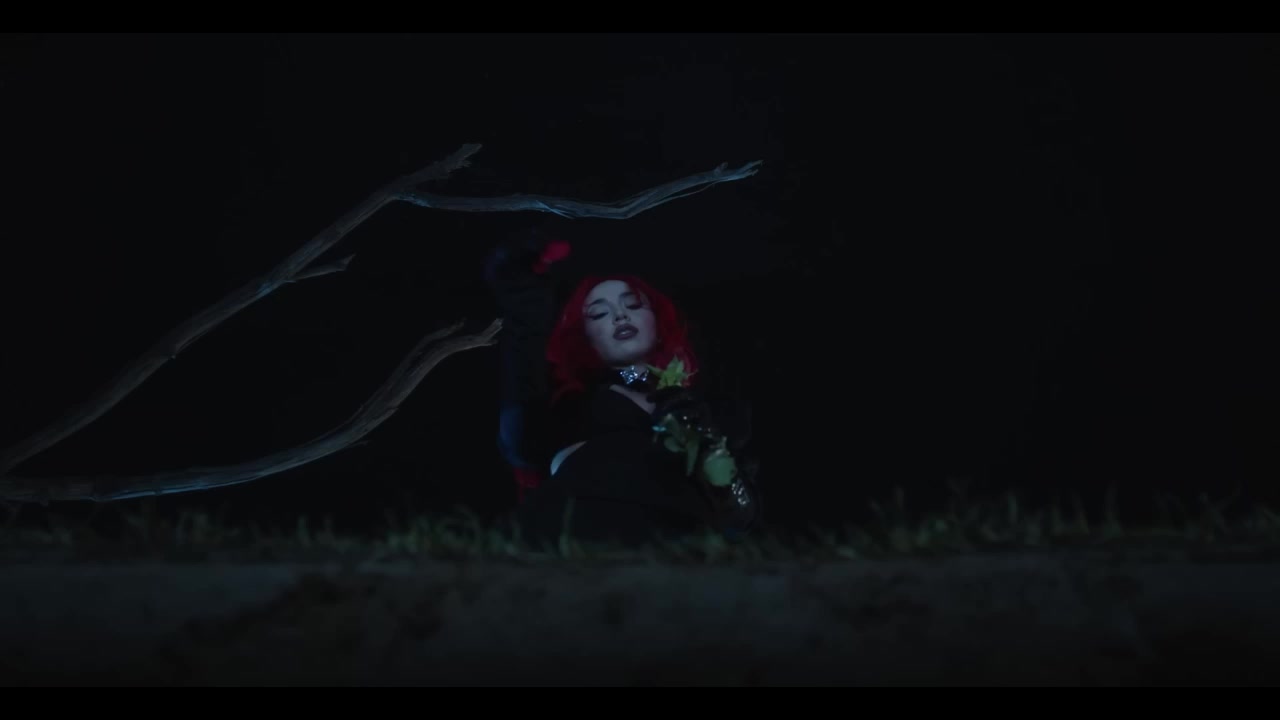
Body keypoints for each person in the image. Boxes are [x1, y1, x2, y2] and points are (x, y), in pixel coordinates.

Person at [484, 228, 760, 547]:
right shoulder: (570, 407)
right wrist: (524, 301)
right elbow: (521, 435)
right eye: (599, 313)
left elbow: (741, 516)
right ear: (584, 338)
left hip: (675, 550)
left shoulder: (711, 409)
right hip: (574, 537)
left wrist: (709, 447)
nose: (619, 315)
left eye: (633, 304)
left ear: (657, 323)